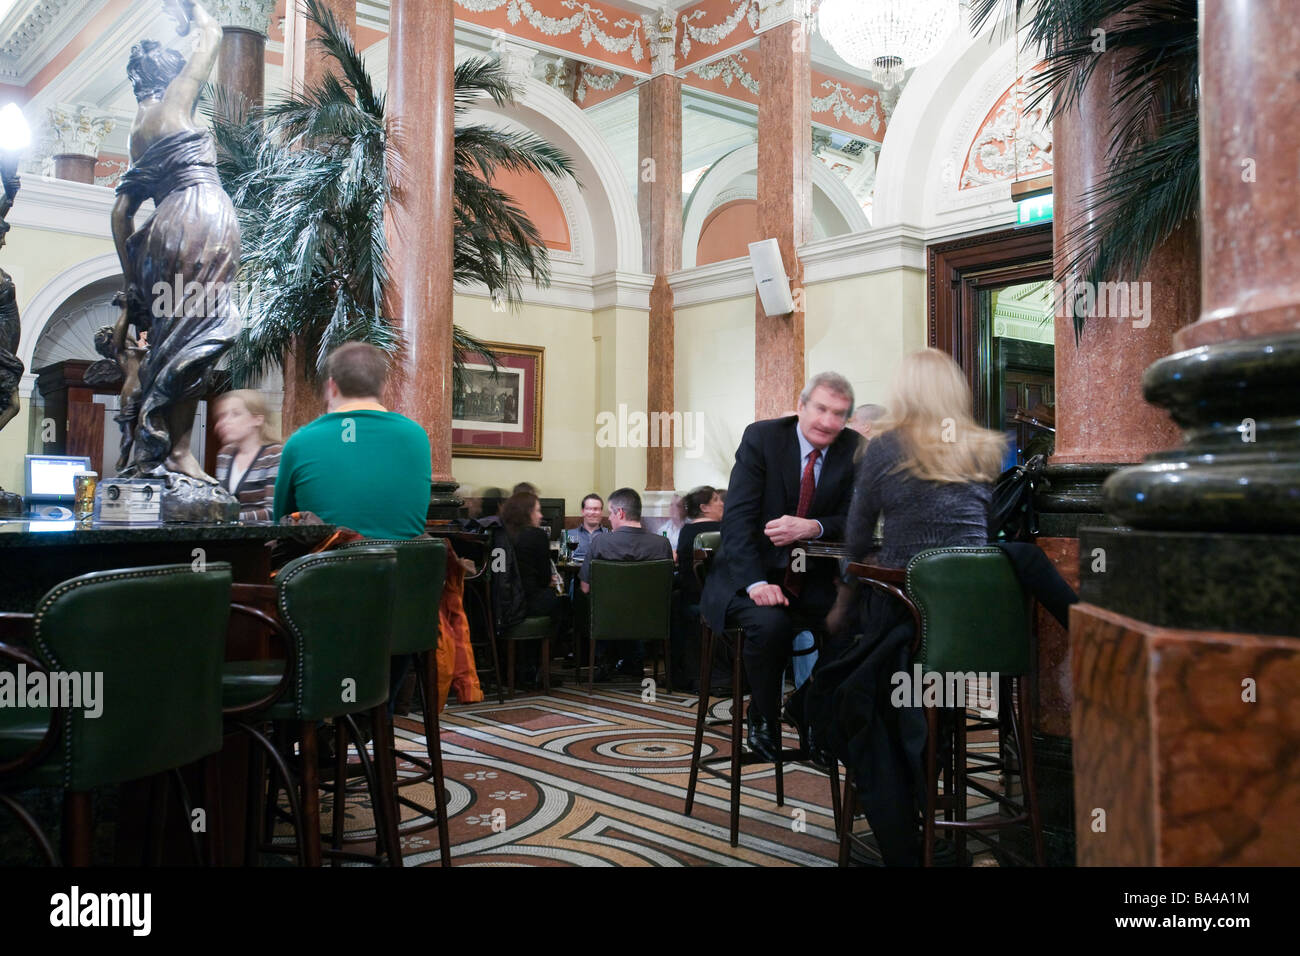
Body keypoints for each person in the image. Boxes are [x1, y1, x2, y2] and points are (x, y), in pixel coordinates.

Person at [814, 348, 1076, 865]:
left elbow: (858, 537)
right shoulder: (985, 447)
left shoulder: (885, 448)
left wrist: (841, 607)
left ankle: (902, 807)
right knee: (901, 684)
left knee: (857, 685)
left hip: (913, 618)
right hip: (984, 627)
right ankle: (928, 773)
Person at [699, 372, 859, 761]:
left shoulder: (855, 449)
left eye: (838, 414)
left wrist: (814, 526)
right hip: (747, 575)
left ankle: (809, 708)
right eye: (820, 409)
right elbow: (736, 521)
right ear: (802, 407)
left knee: (860, 625)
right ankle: (763, 714)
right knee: (772, 625)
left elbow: (858, 519)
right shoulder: (763, 439)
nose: (827, 421)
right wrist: (754, 583)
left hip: (810, 578)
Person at [273, 342, 431, 539]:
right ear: (383, 387)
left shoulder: (300, 441)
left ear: (331, 386)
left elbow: (280, 521)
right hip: (407, 567)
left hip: (325, 568)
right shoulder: (416, 436)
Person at [580, 487, 673, 678]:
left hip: (607, 619)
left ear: (620, 513)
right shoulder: (662, 544)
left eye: (610, 513)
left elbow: (585, 587)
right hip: (650, 619)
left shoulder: (600, 542)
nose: (609, 519)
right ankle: (634, 659)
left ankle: (604, 660)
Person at [499, 490, 569, 688]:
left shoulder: (503, 533)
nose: (541, 515)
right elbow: (544, 578)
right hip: (527, 601)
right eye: (537, 511)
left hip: (505, 603)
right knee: (562, 603)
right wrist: (551, 581)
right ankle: (537, 668)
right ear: (527, 513)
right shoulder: (536, 535)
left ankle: (517, 668)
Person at [672, 485, 725, 688]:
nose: (722, 503)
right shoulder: (725, 530)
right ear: (704, 507)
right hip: (722, 601)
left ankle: (686, 674)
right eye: (716, 500)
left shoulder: (687, 531)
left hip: (692, 599)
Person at [213, 389, 281, 522]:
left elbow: (274, 512)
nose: (224, 422)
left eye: (235, 414)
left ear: (257, 419)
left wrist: (228, 518)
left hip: (261, 539)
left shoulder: (274, 454)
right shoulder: (224, 455)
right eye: (222, 416)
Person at [567, 493, 607, 563]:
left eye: (596, 509)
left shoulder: (609, 535)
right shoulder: (569, 535)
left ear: (601, 512)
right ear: (582, 511)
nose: (592, 512)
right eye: (588, 509)